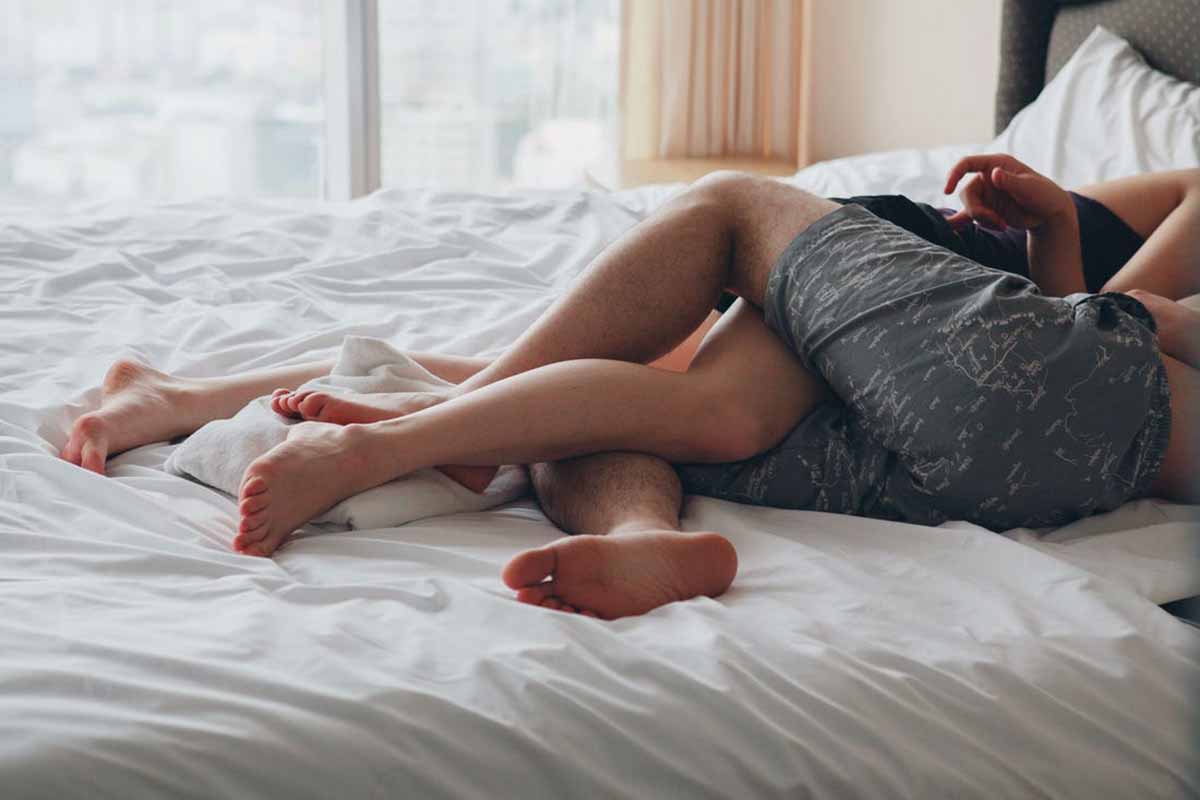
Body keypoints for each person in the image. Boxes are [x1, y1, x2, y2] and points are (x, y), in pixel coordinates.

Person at [61, 154, 1200, 620]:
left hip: (1020, 379)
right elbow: (1089, 348)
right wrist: (1055, 231)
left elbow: (1116, 333)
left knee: (727, 222)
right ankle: (643, 536)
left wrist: (1070, 252)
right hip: (1011, 465)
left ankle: (408, 436)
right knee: (610, 399)